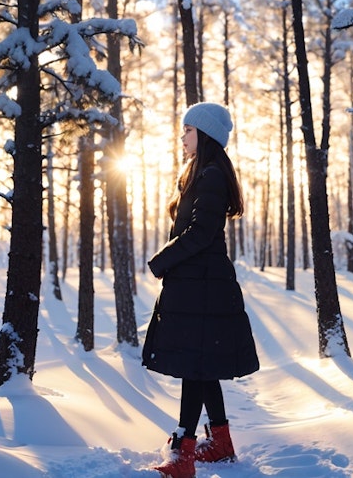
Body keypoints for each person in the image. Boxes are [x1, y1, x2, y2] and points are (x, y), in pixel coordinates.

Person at [142, 102, 260, 478]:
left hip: (203, 287)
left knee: (195, 366)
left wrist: (162, 260)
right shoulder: (200, 172)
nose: (182, 137)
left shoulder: (210, 175)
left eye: (188, 131)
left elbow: (201, 233)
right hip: (198, 284)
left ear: (205, 134)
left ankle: (183, 456)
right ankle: (221, 443)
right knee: (202, 366)